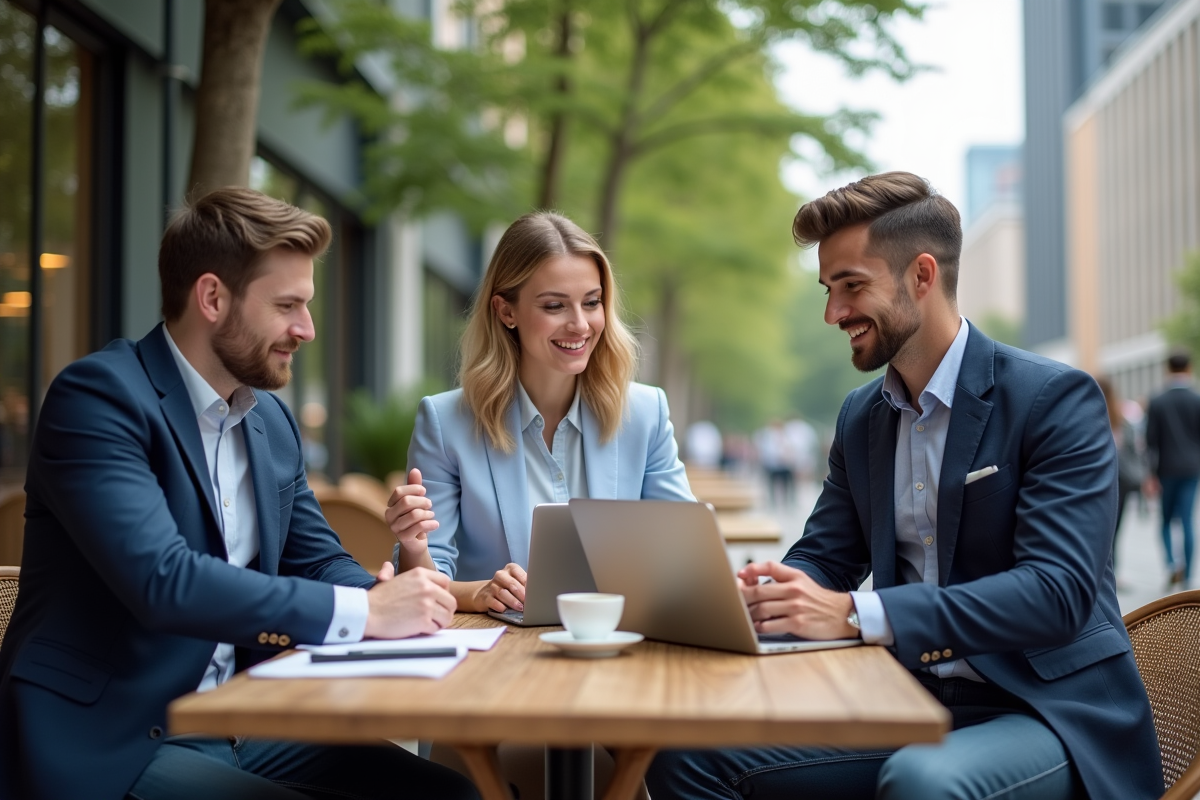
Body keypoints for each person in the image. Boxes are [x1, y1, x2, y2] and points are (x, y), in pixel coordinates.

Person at [646, 172, 1161, 800]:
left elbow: (1057, 593)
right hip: (903, 698)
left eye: (851, 286)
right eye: (828, 289)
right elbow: (827, 555)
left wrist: (857, 613)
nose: (833, 313)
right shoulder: (862, 415)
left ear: (922, 276)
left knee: (922, 782)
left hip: (1044, 711)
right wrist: (769, 593)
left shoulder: (1054, 399)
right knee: (685, 753)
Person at [0, 188, 478, 800]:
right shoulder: (98, 399)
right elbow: (163, 582)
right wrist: (366, 615)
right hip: (112, 736)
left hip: (244, 716)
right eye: (287, 305)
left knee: (450, 794)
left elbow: (318, 559)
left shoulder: (268, 422)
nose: (306, 329)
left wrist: (386, 595)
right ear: (212, 297)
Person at [386, 211, 693, 613]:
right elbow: (425, 580)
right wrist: (448, 571)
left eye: (592, 303)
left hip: (619, 645)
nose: (580, 325)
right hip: (500, 656)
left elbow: (688, 555)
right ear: (505, 311)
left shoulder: (646, 413)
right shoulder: (446, 423)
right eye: (554, 306)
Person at [1144, 351, 1200, 587]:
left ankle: (1171, 563)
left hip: (1165, 470)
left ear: (1168, 369)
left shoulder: (1157, 400)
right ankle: (1186, 575)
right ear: (1188, 368)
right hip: (1191, 468)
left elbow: (1150, 441)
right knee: (1187, 519)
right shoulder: (1197, 399)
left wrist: (1149, 475)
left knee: (1166, 520)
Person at [1097, 375, 1146, 576]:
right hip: (1122, 480)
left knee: (1101, 530)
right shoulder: (1121, 417)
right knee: (1116, 528)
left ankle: (1104, 571)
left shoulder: (1091, 416)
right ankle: (1114, 571)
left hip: (1101, 478)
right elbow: (1134, 448)